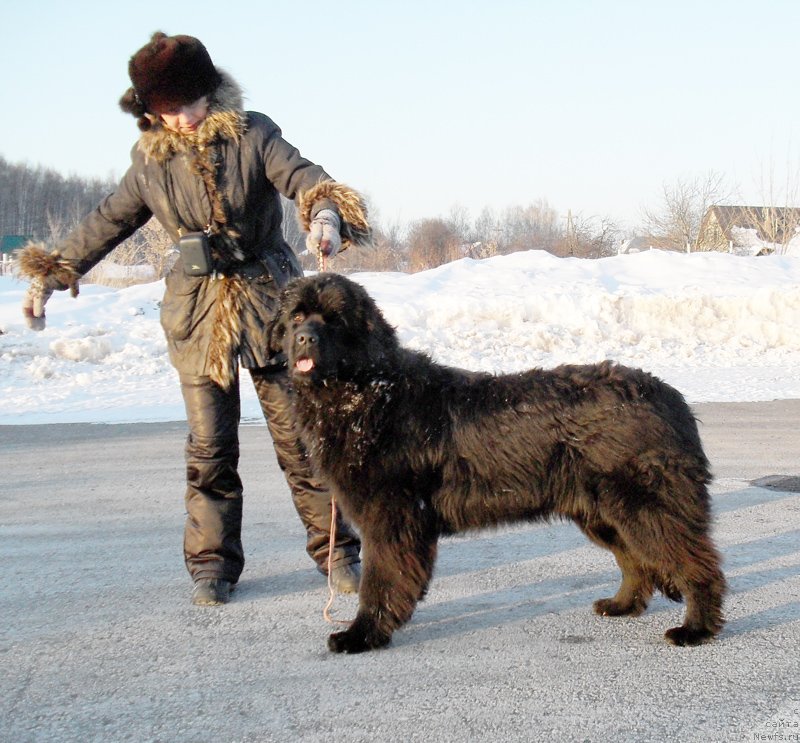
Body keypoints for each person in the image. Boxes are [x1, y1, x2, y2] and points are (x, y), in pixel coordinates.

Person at [17, 31, 370, 606]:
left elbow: (305, 177)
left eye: (186, 104)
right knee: (209, 448)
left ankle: (338, 553)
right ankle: (213, 567)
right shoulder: (150, 161)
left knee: (302, 441)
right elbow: (107, 221)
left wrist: (325, 213)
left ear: (209, 91)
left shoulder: (254, 134)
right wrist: (52, 274)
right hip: (196, 315)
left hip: (268, 306)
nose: (179, 119)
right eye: (164, 109)